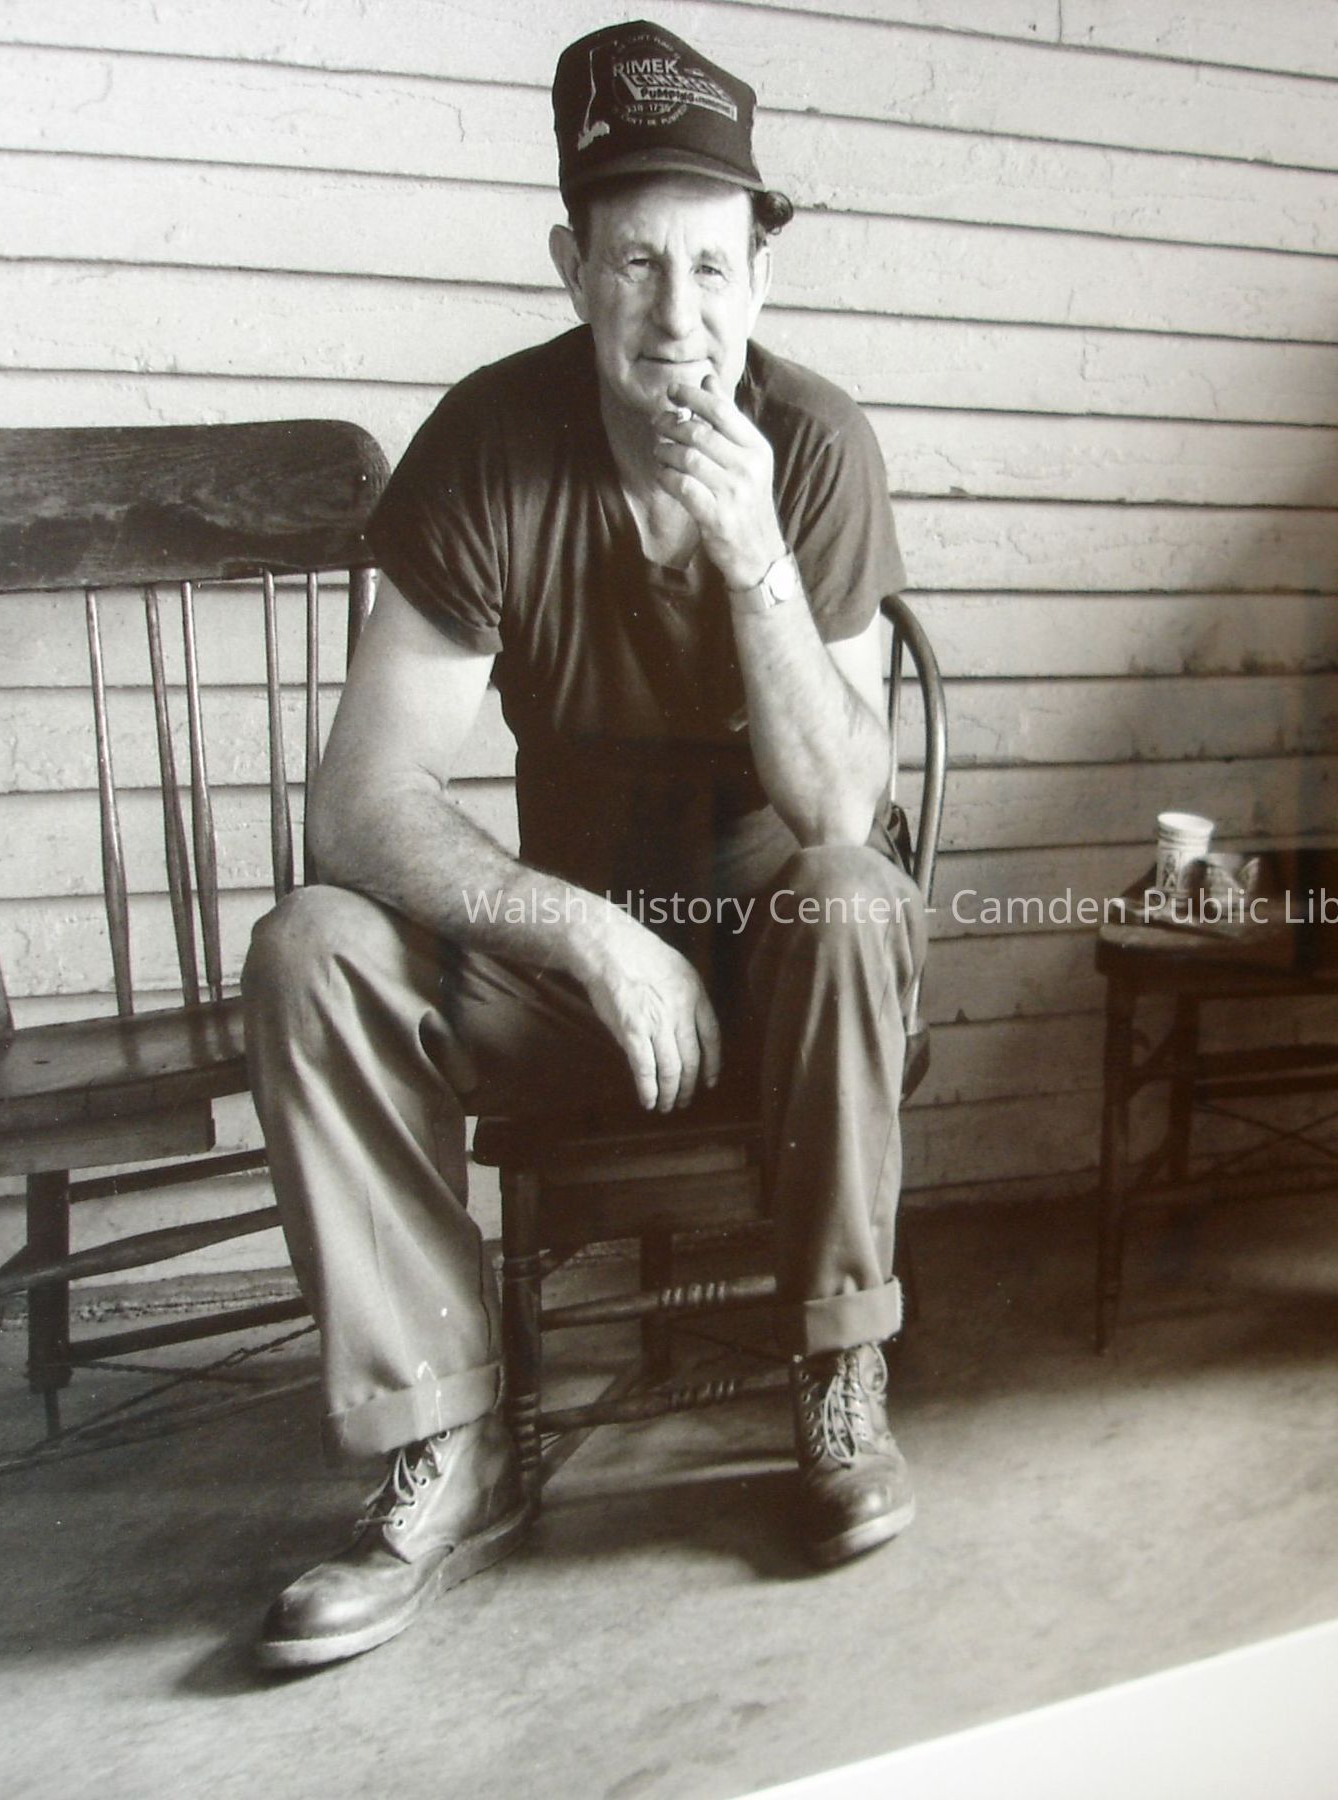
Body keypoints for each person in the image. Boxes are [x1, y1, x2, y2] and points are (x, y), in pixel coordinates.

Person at [241, 19, 926, 1670]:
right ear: (571, 268)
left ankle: (837, 1372)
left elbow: (844, 810)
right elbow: (360, 803)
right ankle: (437, 1438)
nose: (677, 317)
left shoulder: (815, 444)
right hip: (574, 960)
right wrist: (589, 935)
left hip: (777, 967)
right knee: (312, 946)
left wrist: (756, 557)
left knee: (848, 894)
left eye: (712, 266)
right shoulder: (492, 442)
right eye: (634, 264)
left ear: (759, 277)